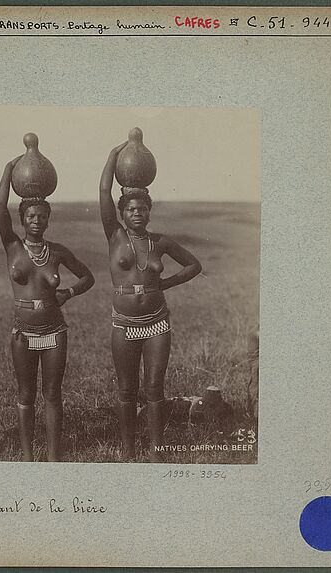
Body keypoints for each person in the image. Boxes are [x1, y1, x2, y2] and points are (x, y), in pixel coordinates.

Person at [99, 143, 202, 461]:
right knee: (128, 390)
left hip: (157, 323)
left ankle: (157, 452)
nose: (137, 213)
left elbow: (193, 265)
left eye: (142, 209)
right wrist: (112, 157)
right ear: (122, 213)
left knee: (155, 389)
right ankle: (129, 451)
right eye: (131, 209)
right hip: (125, 324)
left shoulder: (161, 242)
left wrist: (165, 284)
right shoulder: (115, 236)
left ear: (149, 211)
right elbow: (104, 192)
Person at [0, 157, 95, 462]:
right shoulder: (12, 246)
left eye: (41, 216)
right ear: (22, 219)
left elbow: (88, 277)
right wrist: (6, 172)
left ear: (48, 220)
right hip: (23, 331)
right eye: (30, 216)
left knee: (52, 394)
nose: (36, 221)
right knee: (26, 395)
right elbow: (0, 211)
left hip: (55, 330)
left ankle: (54, 458)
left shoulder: (58, 252)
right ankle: (27, 457)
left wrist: (68, 292)